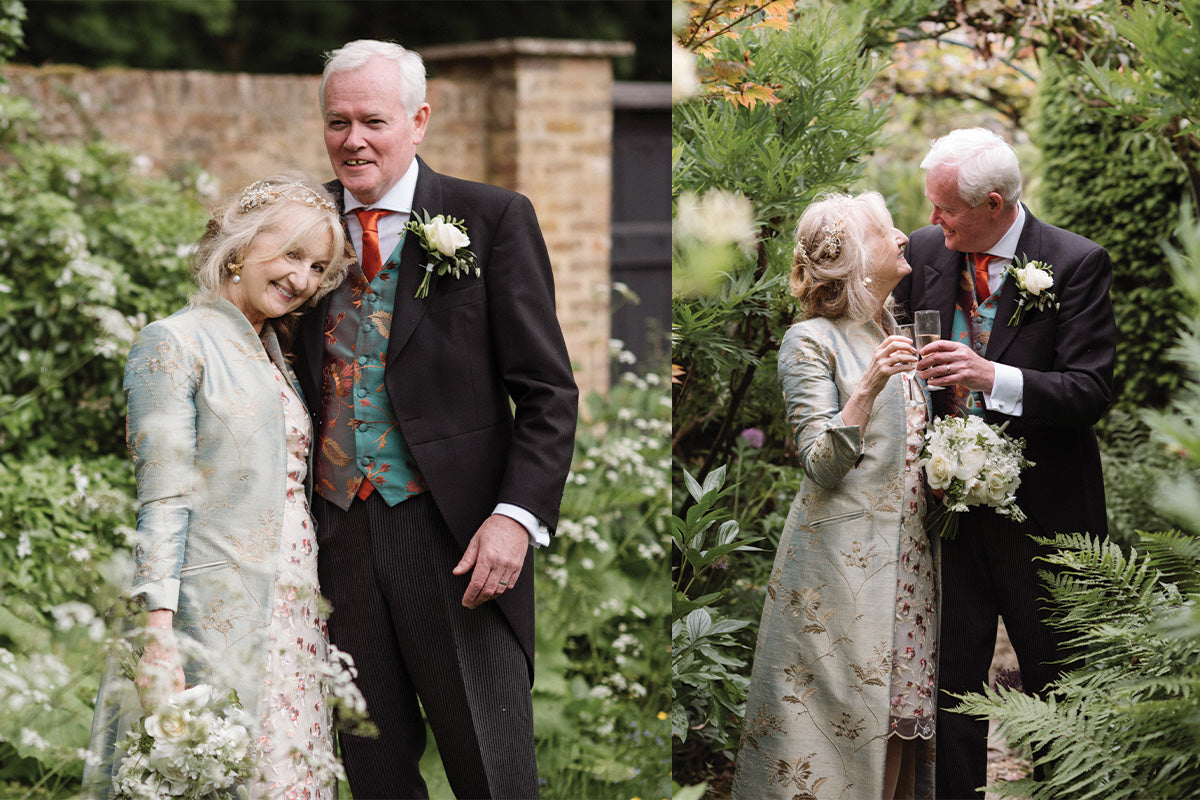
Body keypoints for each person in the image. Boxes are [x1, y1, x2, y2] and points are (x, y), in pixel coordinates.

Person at [293, 39, 578, 799]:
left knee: (492, 773)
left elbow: (548, 391)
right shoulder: (299, 225)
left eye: (373, 122)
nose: (354, 140)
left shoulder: (490, 219)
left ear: (418, 121)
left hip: (455, 540)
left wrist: (515, 518)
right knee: (373, 769)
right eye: (338, 122)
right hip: (334, 537)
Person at [83, 173, 354, 798]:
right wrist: (158, 637)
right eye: (291, 254)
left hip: (292, 610)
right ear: (239, 244)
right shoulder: (173, 342)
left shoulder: (271, 348)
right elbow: (163, 498)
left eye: (317, 266)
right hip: (211, 611)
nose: (304, 279)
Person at [893, 127, 1116, 799]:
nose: (931, 222)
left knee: (1055, 682)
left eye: (946, 209)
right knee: (952, 682)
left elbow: (1091, 392)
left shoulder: (1076, 263)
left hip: (1044, 514)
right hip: (945, 510)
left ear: (994, 203)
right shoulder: (929, 250)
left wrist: (993, 375)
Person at [731, 192, 938, 800]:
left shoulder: (894, 328)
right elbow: (820, 464)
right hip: (842, 572)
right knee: (841, 729)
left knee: (901, 717)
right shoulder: (808, 342)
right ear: (853, 258)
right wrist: (870, 384)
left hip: (911, 564)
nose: (903, 236)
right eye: (885, 232)